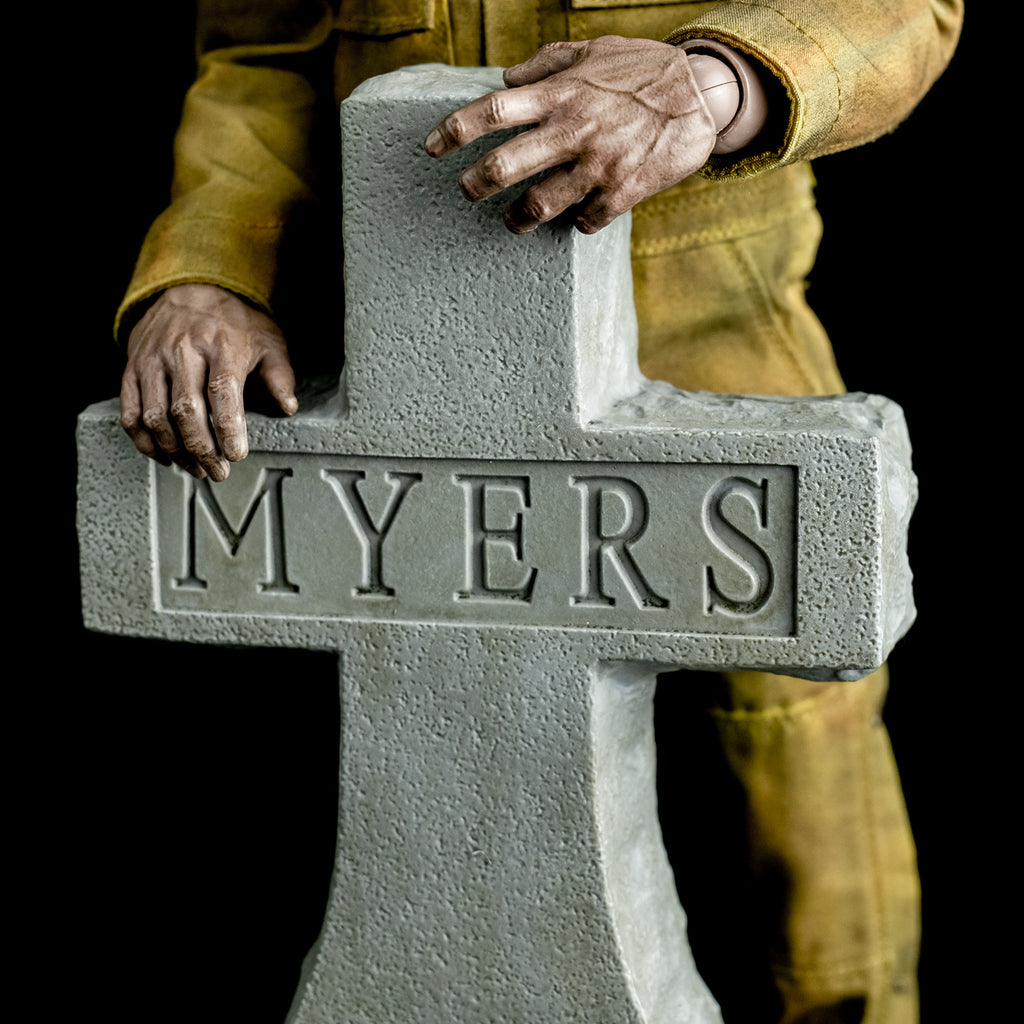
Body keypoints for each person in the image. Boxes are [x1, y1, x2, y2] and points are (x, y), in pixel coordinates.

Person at [115, 3, 962, 1021]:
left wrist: (716, 82)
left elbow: (906, 8)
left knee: (800, 763)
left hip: (715, 325)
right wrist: (210, 266)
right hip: (394, 357)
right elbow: (259, 54)